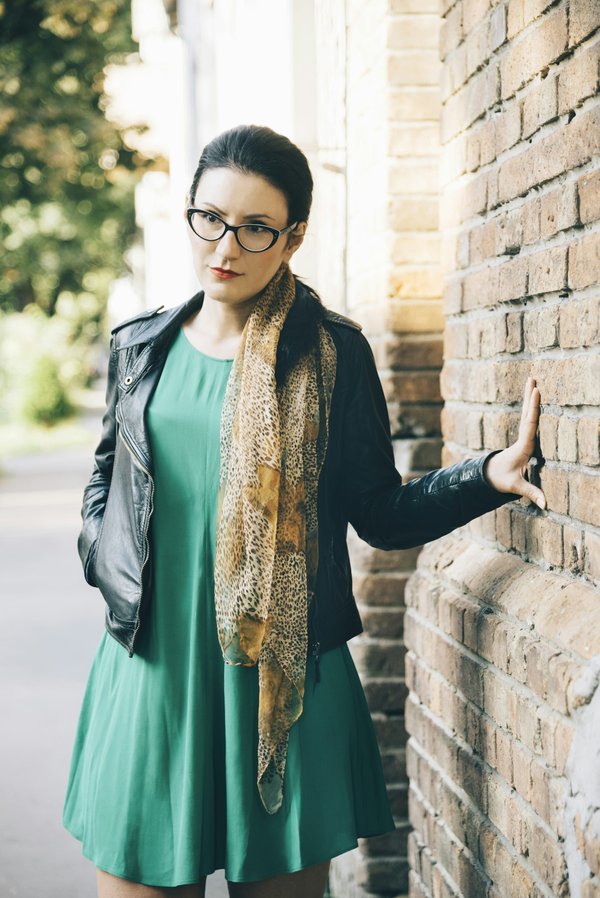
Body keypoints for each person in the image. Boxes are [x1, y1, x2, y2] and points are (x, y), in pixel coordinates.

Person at [62, 124, 546, 898]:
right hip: (152, 670)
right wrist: (105, 560)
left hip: (281, 685)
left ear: (293, 239)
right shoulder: (140, 350)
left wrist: (485, 476)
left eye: (255, 228)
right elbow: (104, 484)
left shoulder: (331, 353)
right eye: (210, 218)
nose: (226, 245)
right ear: (190, 214)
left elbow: (377, 513)